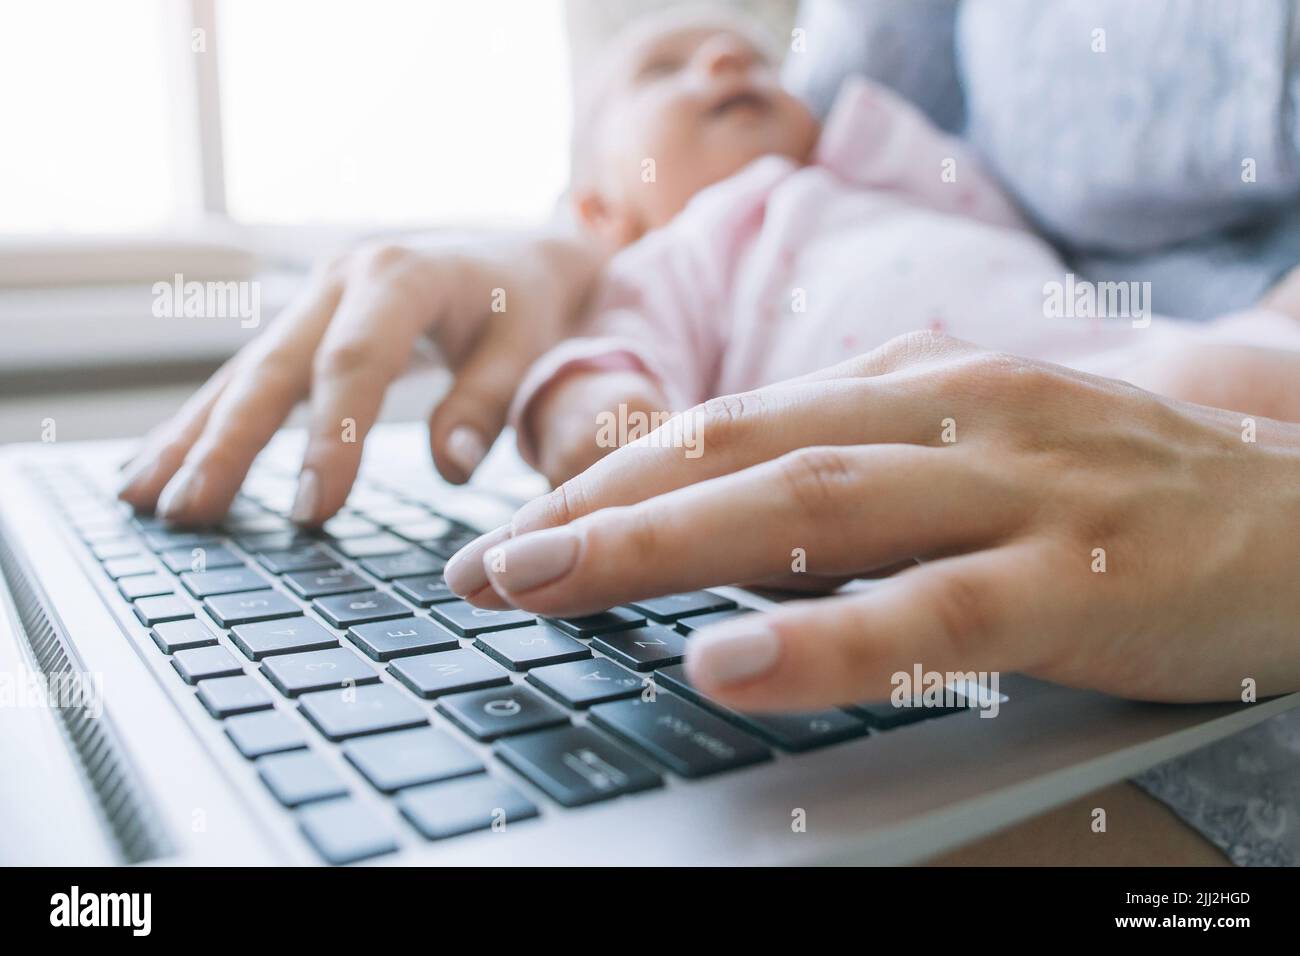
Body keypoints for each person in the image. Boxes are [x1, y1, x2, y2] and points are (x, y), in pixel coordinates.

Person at [118, 1, 1300, 864]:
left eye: (739, 49)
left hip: (1150, 402)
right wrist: (602, 414)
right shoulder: (691, 245)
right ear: (599, 203)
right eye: (666, 66)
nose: (726, 53)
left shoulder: (906, 179)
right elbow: (603, 360)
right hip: (999, 489)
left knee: (1210, 361)